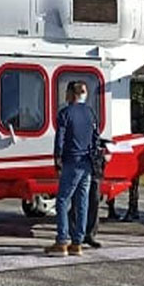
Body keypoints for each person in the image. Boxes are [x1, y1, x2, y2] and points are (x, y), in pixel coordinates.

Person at [47, 81, 99, 257]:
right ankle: (77, 242)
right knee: (82, 201)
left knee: (62, 200)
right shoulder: (91, 113)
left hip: (72, 161)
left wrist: (57, 158)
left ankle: (62, 241)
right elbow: (95, 138)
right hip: (87, 163)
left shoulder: (65, 113)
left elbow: (60, 139)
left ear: (71, 94)